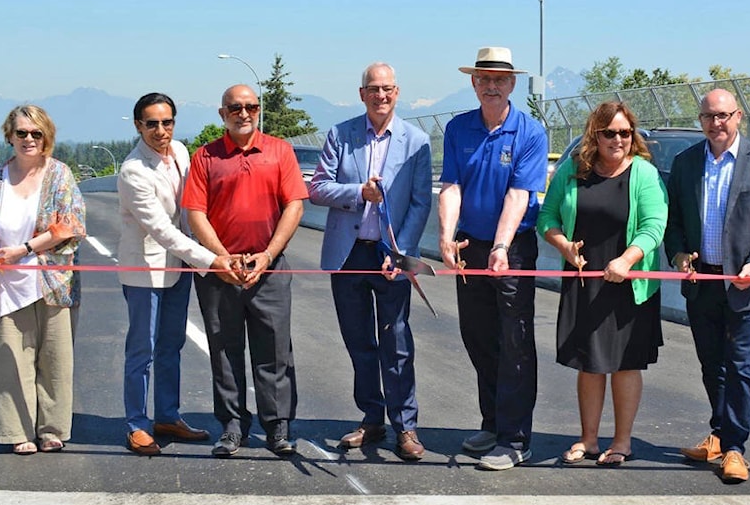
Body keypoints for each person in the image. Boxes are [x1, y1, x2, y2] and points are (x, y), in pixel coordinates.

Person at [665, 88, 750, 483]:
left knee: (740, 366)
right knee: (711, 364)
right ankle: (719, 434)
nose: (716, 123)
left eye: (723, 116)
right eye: (708, 116)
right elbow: (675, 223)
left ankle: (736, 449)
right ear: (700, 120)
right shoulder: (685, 164)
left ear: (738, 116)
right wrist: (679, 255)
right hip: (702, 281)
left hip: (745, 285)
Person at [308, 62, 433, 461]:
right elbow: (318, 189)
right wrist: (358, 192)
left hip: (390, 253)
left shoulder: (416, 141)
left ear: (397, 93)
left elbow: (419, 201)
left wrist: (402, 250)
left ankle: (406, 426)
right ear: (362, 94)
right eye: (373, 89)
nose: (381, 96)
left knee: (396, 341)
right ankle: (371, 415)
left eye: (388, 89)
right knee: (359, 340)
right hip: (349, 254)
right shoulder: (340, 135)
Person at [181, 84, 308, 458]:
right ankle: (233, 426)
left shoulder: (280, 151)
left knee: (274, 348)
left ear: (258, 110)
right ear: (222, 114)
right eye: (235, 107)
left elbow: (295, 206)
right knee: (224, 349)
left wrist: (268, 254)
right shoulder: (205, 157)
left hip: (267, 267)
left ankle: (277, 426)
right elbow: (195, 213)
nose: (244, 113)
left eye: (251, 106)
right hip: (220, 271)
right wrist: (220, 258)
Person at [538, 102, 668, 467]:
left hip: (629, 283)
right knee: (590, 364)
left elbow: (654, 225)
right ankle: (589, 439)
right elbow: (547, 216)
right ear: (594, 134)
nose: (618, 140)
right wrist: (562, 244)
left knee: (626, 364)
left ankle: (622, 441)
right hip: (585, 281)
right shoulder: (573, 171)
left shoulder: (643, 173)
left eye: (625, 133)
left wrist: (627, 261)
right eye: (609, 132)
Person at [438, 47, 548, 470]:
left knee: (515, 342)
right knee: (478, 335)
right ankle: (493, 422)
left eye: (499, 80)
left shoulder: (529, 132)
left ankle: (516, 438)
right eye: (484, 79)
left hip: (513, 247)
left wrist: (501, 247)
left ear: (512, 84)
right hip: (471, 245)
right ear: (473, 83)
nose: (491, 86)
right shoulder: (458, 128)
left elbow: (520, 195)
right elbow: (451, 186)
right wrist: (447, 237)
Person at [0, 105, 85, 455]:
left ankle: (51, 429)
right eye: (22, 133)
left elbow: (72, 224)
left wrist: (25, 249)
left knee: (55, 359)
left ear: (47, 136)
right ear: (9, 136)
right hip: (6, 282)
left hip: (52, 281)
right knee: (10, 358)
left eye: (36, 133)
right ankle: (16, 430)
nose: (29, 139)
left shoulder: (60, 175)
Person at [117, 92, 236, 455]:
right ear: (138, 126)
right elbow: (162, 230)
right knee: (143, 350)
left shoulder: (182, 152)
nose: (160, 130)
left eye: (166, 122)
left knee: (172, 345)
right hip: (146, 270)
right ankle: (137, 423)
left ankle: (167, 415)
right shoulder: (132, 170)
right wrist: (213, 260)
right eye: (151, 124)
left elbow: (192, 209)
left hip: (179, 268)